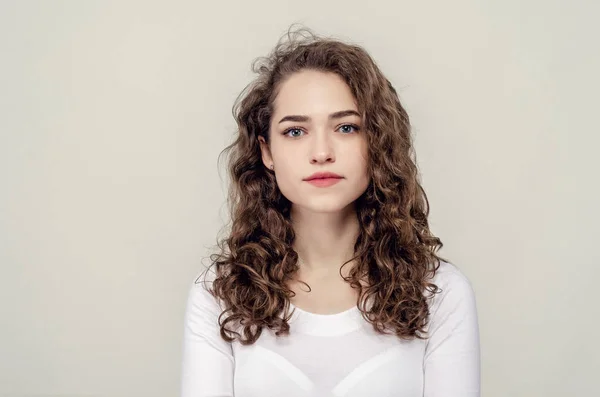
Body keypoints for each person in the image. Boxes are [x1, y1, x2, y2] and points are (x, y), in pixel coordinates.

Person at [180, 26, 480, 397]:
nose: (321, 152)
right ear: (266, 151)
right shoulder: (217, 293)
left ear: (378, 142)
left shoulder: (440, 293)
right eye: (295, 132)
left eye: (346, 127)